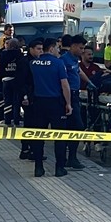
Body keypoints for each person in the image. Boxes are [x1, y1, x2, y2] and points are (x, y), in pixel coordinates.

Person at [22, 38, 73, 177]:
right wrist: (68, 103)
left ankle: (38, 168)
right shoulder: (58, 63)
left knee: (39, 136)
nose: (58, 51)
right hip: (55, 103)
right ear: (51, 49)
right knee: (60, 137)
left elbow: (27, 83)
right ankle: (59, 168)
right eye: (57, 48)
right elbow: (64, 85)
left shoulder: (33, 63)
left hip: (38, 103)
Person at [59, 34, 91, 170]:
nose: (82, 51)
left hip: (75, 96)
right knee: (76, 126)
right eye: (80, 48)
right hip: (68, 96)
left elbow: (79, 72)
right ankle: (68, 157)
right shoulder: (63, 60)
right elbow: (63, 81)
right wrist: (68, 102)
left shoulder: (74, 60)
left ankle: (71, 157)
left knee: (74, 127)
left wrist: (89, 82)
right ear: (72, 46)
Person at [15, 39, 42, 160]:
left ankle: (30, 149)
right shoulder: (25, 62)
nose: (40, 51)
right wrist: (24, 96)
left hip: (35, 96)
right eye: (38, 49)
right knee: (30, 123)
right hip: (28, 97)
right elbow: (21, 81)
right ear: (31, 49)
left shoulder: (38, 61)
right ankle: (27, 148)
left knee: (33, 123)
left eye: (41, 49)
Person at [0, 39, 25, 127]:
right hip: (16, 80)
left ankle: (7, 120)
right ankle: (16, 120)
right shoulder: (20, 55)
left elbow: (0, 68)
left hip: (5, 80)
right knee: (16, 101)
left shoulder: (3, 55)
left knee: (7, 101)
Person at [0, 24, 14, 123]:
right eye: (10, 30)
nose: (11, 32)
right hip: (1, 75)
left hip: (7, 76)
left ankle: (11, 116)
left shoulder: (10, 39)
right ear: (5, 30)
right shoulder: (3, 39)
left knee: (10, 97)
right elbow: (0, 53)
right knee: (2, 97)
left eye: (12, 30)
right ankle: (1, 118)